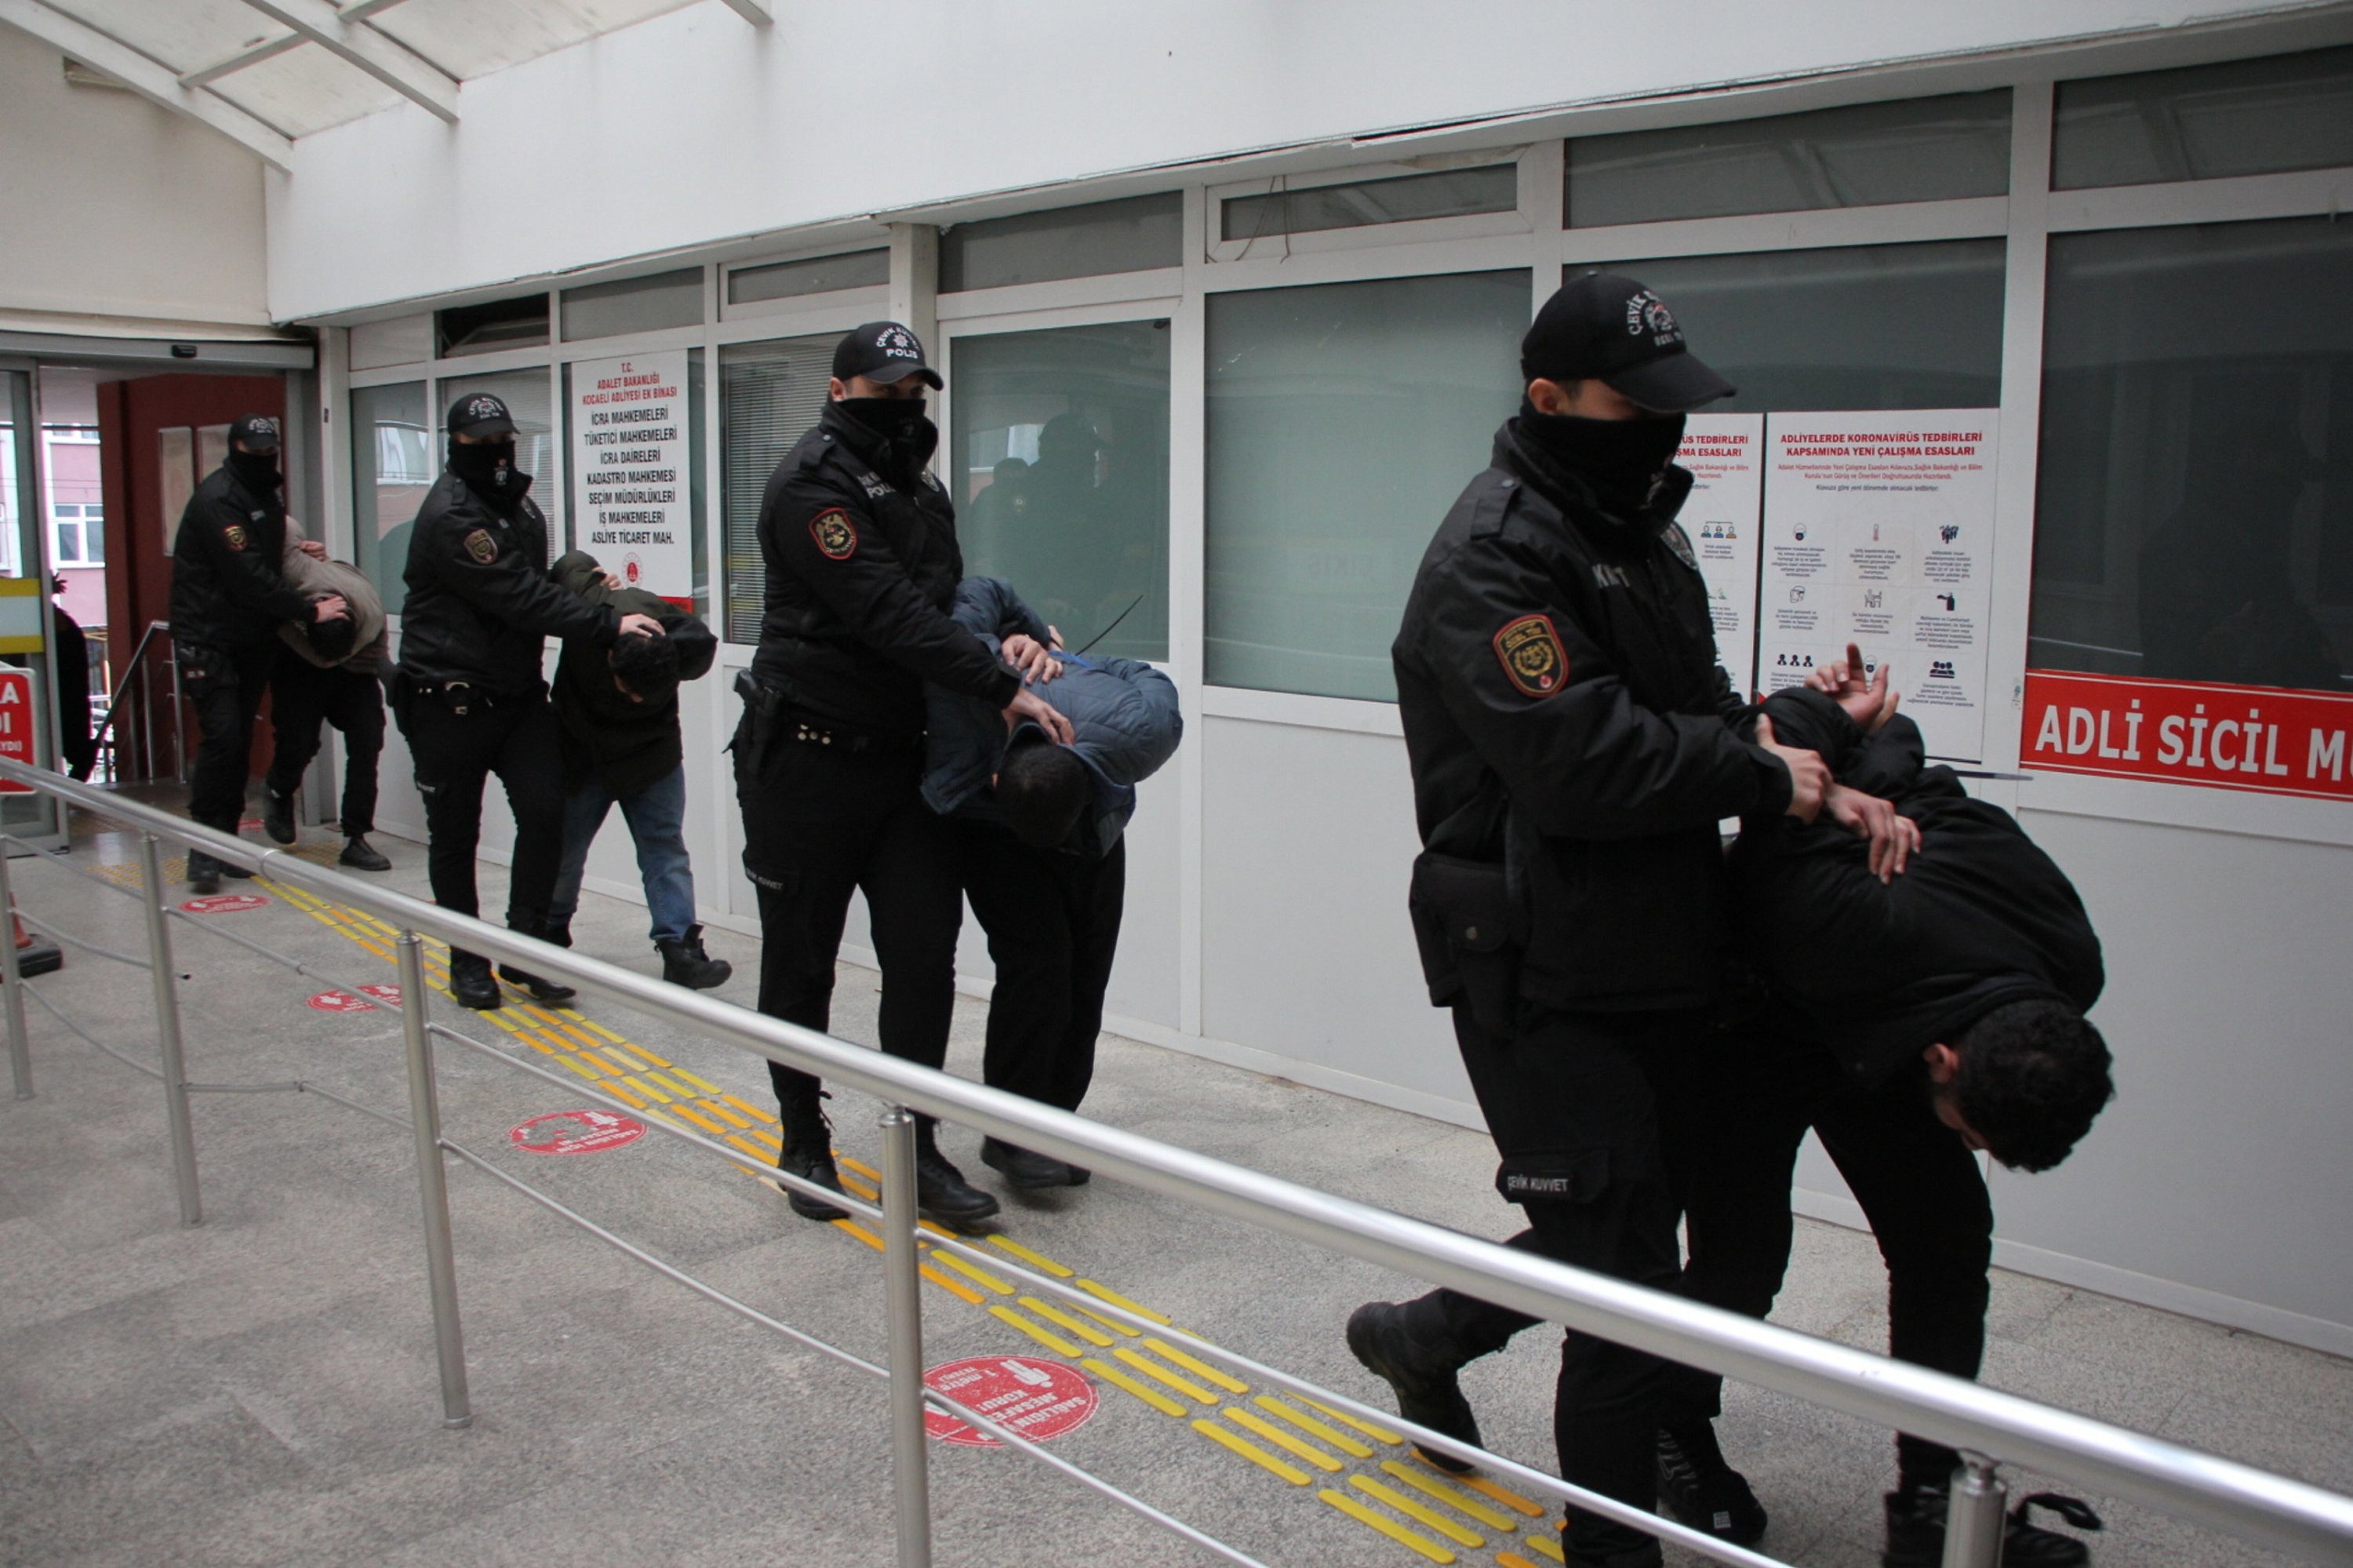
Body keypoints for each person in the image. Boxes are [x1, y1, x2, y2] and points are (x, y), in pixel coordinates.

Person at [1346, 274, 1908, 1568]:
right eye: (1635, 404)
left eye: (1672, 402)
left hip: (1662, 942)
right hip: (1541, 965)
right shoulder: (1493, 554)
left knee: (1627, 1231)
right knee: (1626, 1283)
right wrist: (1762, 769)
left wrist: (1806, 736)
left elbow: (1695, 707)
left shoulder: (1641, 528)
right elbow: (1583, 762)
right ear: (1549, 398)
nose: (1663, 427)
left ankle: (1422, 1334)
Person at [1662, 655, 2113, 1567]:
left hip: (1892, 1022)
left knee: (1947, 1243)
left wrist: (1873, 732)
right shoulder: (1833, 921)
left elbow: (1922, 780)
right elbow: (1780, 801)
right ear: (1947, 1063)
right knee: (1743, 1258)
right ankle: (1670, 1426)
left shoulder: (2066, 962)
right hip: (1764, 1022)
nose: (1970, 1145)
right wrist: (1837, 726)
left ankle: (1931, 1505)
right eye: (1972, 1132)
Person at [734, 320, 1069, 1228]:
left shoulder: (921, 484)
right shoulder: (813, 485)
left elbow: (943, 601)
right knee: (802, 962)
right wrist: (998, 686)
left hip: (901, 765)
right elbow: (885, 611)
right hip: (805, 761)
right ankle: (803, 1138)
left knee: (923, 960)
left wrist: (1009, 631)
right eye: (885, 390)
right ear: (839, 390)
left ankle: (913, 1150)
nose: (903, 403)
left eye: (913, 389)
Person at [392, 393, 662, 1011]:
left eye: (504, 439)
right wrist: (607, 622)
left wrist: (588, 585)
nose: (498, 452)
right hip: (448, 702)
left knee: (547, 814)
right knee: (455, 836)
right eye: (483, 442)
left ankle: (526, 948)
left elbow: (536, 585)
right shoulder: (452, 515)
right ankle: (469, 961)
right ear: (456, 444)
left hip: (516, 698)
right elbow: (518, 597)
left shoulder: (519, 506)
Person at [922, 576, 1182, 1188]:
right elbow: (979, 590)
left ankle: (1056, 1122)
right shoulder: (967, 700)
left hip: (1092, 829)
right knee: (1039, 965)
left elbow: (1143, 675)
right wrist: (1014, 643)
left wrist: (1066, 658)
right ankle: (1012, 1134)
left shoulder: (1139, 728)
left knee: (1086, 973)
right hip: (991, 829)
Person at [167, 413, 347, 893]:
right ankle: (204, 849)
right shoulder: (219, 499)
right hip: (208, 638)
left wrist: (301, 552)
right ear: (236, 449)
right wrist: (309, 611)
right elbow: (247, 575)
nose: (266, 459)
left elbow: (266, 558)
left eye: (271, 451)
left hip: (250, 638)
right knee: (223, 737)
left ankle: (226, 844)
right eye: (256, 452)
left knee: (239, 742)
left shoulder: (264, 494)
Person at [543, 549, 729, 990]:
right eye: (628, 691)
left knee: (664, 847)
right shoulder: (594, 615)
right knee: (566, 849)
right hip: (584, 753)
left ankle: (680, 949)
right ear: (610, 658)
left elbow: (701, 645)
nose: (636, 699)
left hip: (652, 753)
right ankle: (549, 935)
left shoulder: (684, 645)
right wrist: (592, 576)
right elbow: (571, 564)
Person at [263, 518, 393, 871]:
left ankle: (355, 837)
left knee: (366, 742)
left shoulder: (366, 611)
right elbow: (277, 621)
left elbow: (375, 651)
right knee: (299, 741)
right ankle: (279, 789)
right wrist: (299, 548)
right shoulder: (282, 577)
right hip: (298, 661)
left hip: (357, 666)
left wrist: (385, 676)